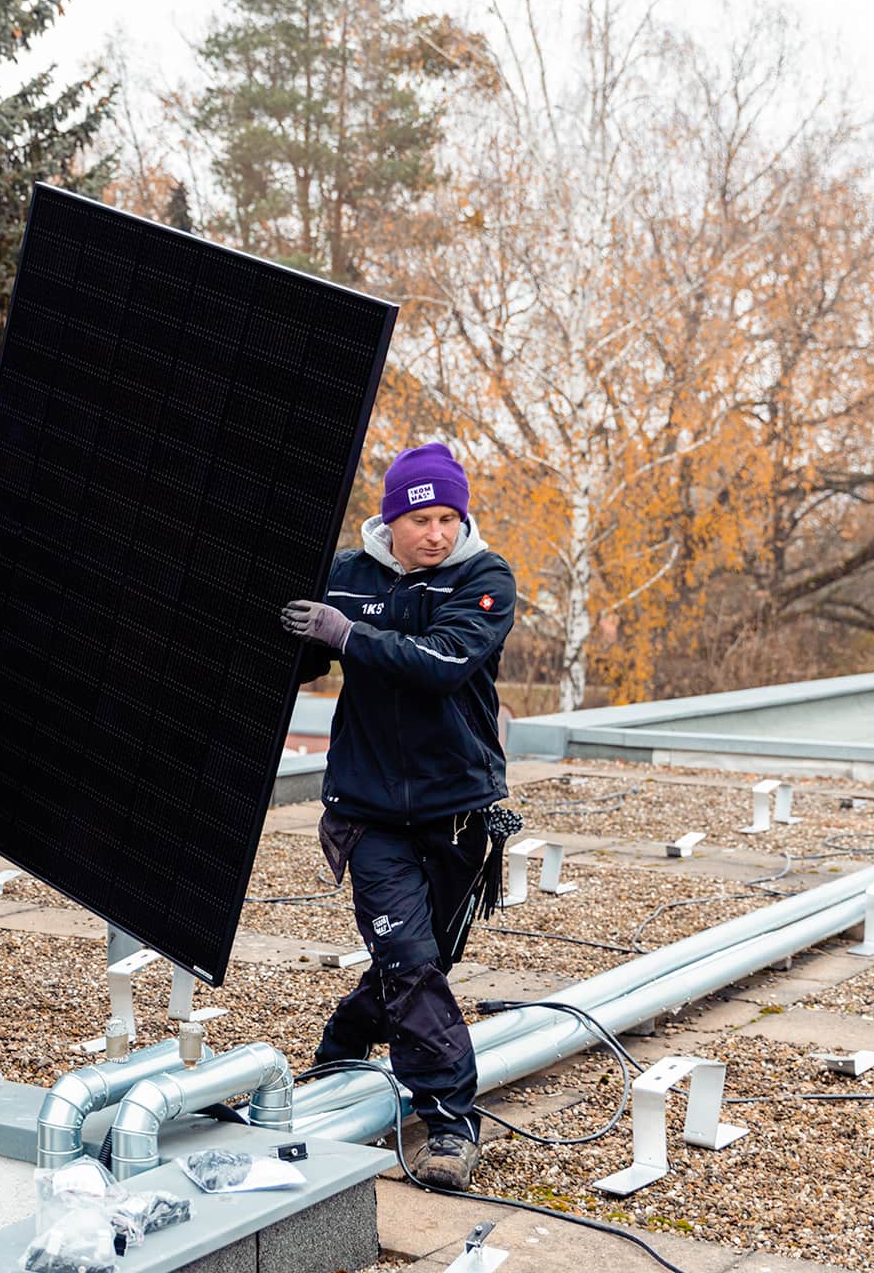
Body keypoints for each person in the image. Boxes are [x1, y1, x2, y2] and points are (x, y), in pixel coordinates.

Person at [280, 441, 517, 1190]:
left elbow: (444, 665)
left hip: (458, 814)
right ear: (393, 520)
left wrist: (347, 636)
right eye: (423, 518)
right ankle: (450, 1124)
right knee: (412, 966)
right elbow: (301, 658)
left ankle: (340, 1053)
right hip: (369, 811)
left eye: (450, 517)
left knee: (424, 968)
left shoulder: (483, 578)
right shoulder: (350, 578)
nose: (438, 533)